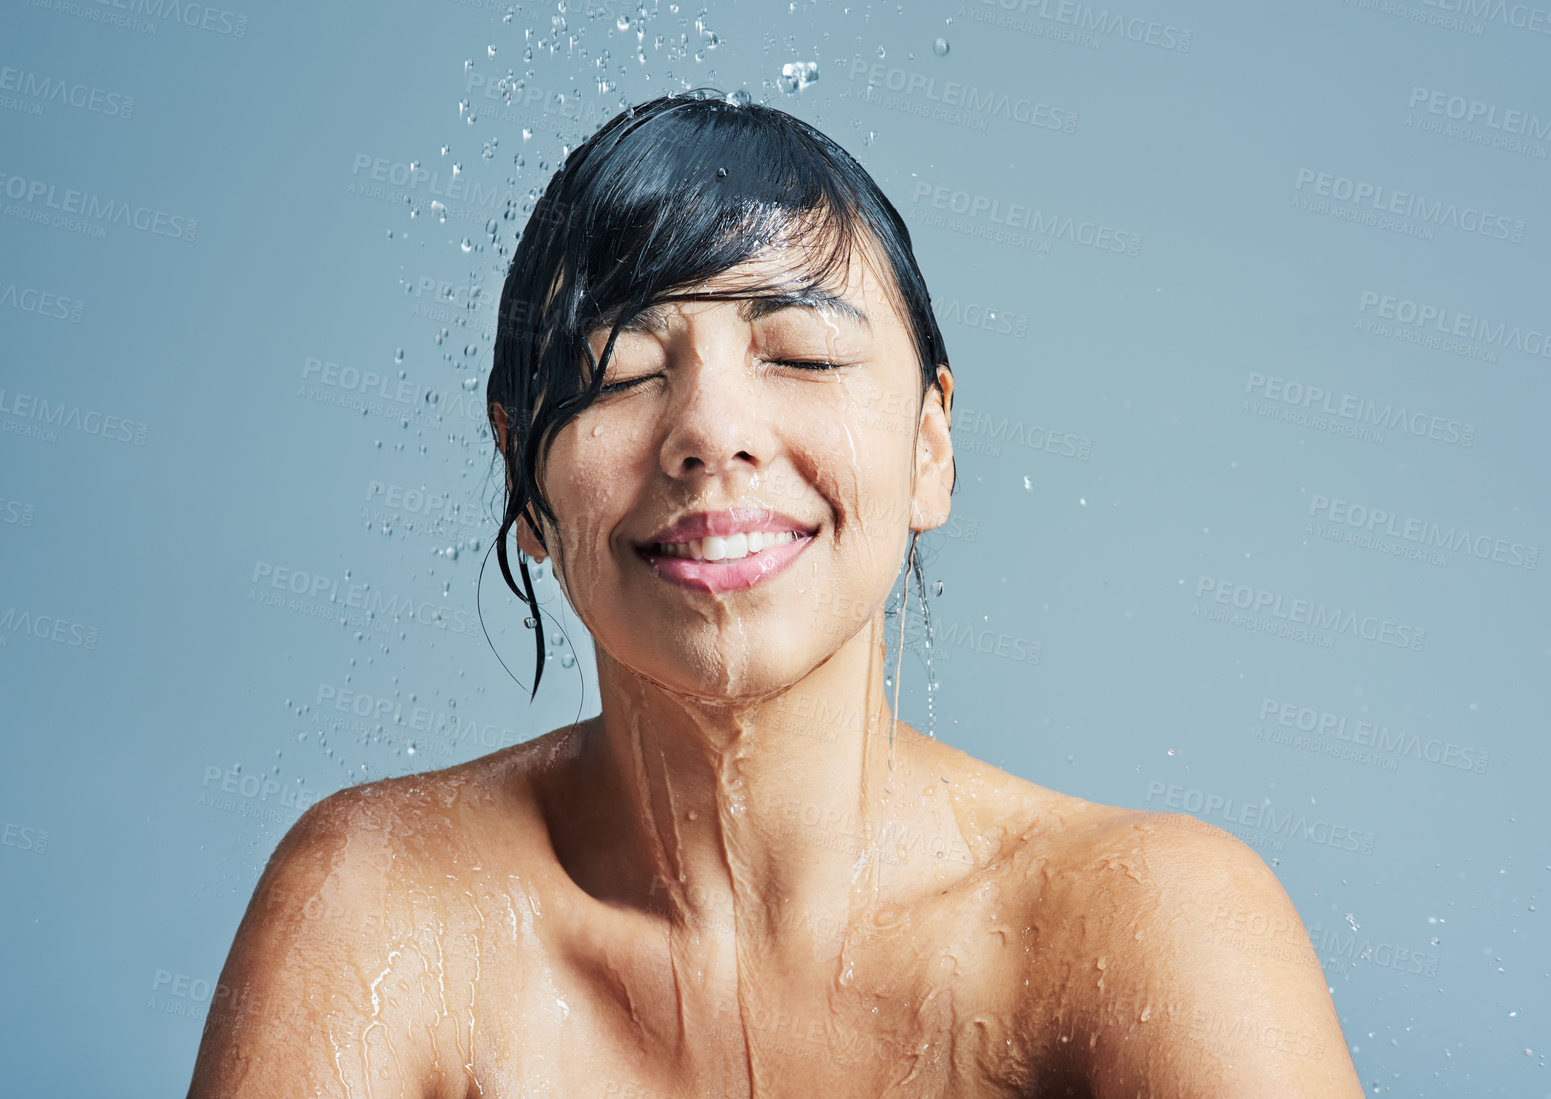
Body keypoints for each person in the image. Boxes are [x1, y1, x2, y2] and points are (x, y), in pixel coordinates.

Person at [187, 90, 1364, 1098]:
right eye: (621, 371)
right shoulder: (383, 905)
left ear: (930, 449)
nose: (710, 434)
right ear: (524, 480)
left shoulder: (1145, 923)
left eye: (799, 354)